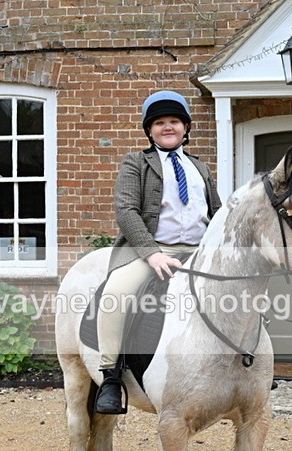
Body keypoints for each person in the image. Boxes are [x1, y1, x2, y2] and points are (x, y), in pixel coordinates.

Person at [94, 91, 221, 414]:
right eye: (160, 123)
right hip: (152, 251)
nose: (168, 127)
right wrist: (152, 254)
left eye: (174, 122)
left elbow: (216, 212)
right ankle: (110, 377)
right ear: (149, 130)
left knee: (242, 289)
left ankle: (245, 361)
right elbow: (126, 210)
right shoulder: (136, 163)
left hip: (198, 252)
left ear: (185, 128)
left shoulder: (199, 167)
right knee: (116, 294)